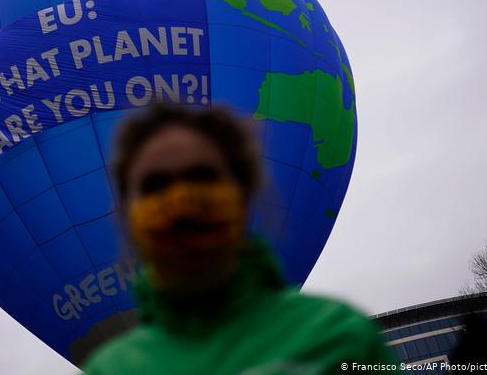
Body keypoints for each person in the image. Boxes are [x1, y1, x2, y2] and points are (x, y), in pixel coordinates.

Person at [82, 103, 400, 374]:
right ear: (125, 213)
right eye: (155, 185)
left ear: (245, 194)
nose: (181, 201)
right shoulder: (110, 369)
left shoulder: (339, 337)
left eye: (202, 177)